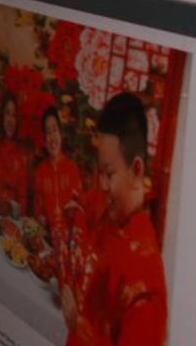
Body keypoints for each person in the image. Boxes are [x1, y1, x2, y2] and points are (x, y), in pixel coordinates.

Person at [62, 92, 168, 346]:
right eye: (101, 172)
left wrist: (79, 327)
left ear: (137, 170)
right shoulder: (110, 214)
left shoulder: (146, 285)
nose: (103, 185)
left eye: (109, 174)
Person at [32, 106, 83, 245]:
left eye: (55, 130)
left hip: (70, 245)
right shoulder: (40, 172)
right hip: (48, 244)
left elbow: (80, 214)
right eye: (48, 132)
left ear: (60, 133)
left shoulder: (72, 169)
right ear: (44, 139)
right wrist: (41, 225)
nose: (52, 137)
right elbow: (39, 214)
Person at [0, 92, 29, 217]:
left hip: (11, 222)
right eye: (7, 113)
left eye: (14, 115)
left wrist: (16, 216)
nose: (10, 120)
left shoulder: (20, 156)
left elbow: (23, 198)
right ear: (2, 117)